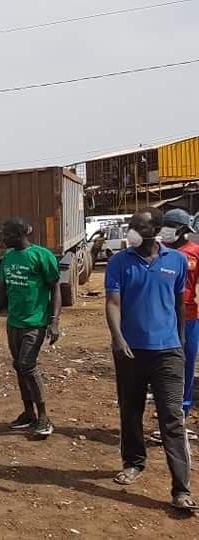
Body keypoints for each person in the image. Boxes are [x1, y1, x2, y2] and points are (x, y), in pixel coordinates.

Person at [105, 208, 197, 510]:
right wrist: (118, 339)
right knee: (130, 412)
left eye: (138, 226)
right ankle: (133, 463)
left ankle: (181, 488)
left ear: (156, 229)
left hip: (167, 351)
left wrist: (180, 341)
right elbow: (113, 302)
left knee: (172, 418)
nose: (132, 230)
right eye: (131, 225)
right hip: (130, 352)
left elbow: (178, 303)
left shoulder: (177, 261)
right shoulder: (119, 262)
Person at [0, 218, 61, 438]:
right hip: (14, 323)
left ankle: (44, 417)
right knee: (19, 366)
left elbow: (55, 288)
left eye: (5, 234)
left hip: (35, 323)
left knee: (27, 365)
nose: (2, 238)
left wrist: (54, 321)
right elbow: (2, 291)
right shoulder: (8, 258)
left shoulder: (41, 256)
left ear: (19, 234)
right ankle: (28, 414)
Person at [160, 208, 199, 435]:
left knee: (186, 364)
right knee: (163, 367)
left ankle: (182, 413)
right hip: (163, 318)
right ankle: (168, 411)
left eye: (171, 226)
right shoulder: (159, 252)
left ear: (183, 229)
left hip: (191, 318)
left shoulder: (195, 252)